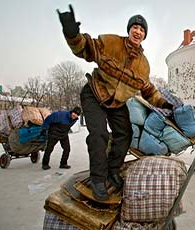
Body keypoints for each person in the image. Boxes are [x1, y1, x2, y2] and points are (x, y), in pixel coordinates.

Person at [57, 5, 174, 200]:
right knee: (99, 135)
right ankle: (98, 179)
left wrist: (165, 104)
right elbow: (85, 48)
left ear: (144, 35)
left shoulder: (143, 64)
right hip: (95, 93)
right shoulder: (110, 43)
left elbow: (148, 90)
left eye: (142, 29)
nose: (138, 31)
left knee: (125, 134)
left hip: (116, 103)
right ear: (129, 30)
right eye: (135, 27)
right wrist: (72, 34)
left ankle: (113, 170)